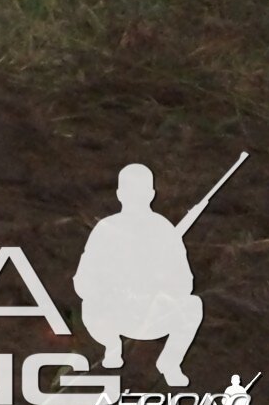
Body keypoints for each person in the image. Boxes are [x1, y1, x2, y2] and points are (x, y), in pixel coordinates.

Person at [75, 163, 205, 386]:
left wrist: (160, 284)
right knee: (89, 304)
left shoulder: (164, 230)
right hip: (113, 314)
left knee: (193, 306)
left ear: (151, 194)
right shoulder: (106, 229)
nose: (135, 197)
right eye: (130, 191)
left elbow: (185, 283)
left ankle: (170, 362)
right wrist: (110, 288)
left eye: (140, 192)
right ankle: (111, 347)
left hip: (152, 314)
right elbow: (83, 279)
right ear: (119, 194)